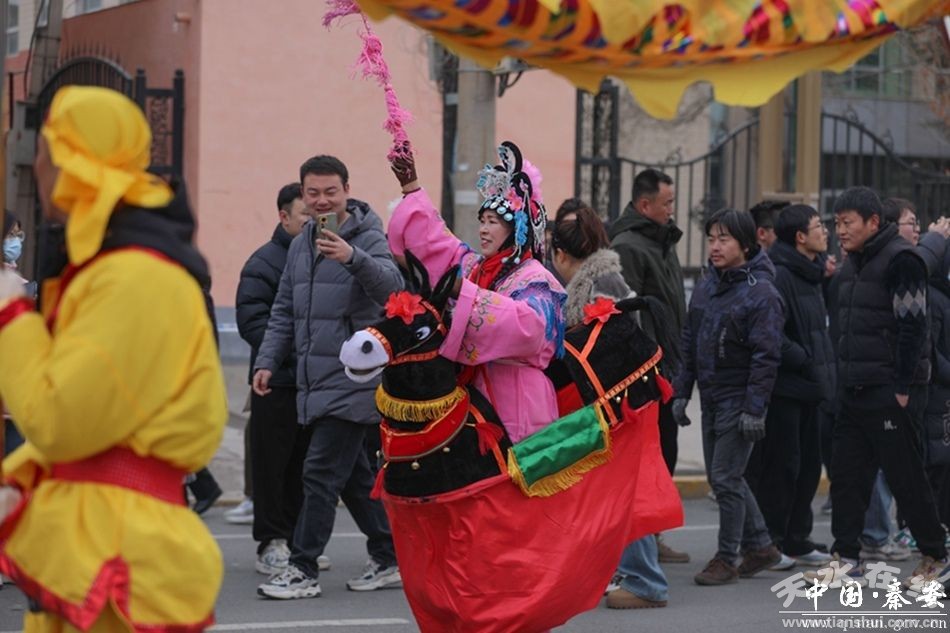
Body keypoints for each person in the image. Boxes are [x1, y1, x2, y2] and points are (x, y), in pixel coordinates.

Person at [0, 86, 226, 631]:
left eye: (44, 150)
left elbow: (58, 419)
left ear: (69, 161)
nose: (34, 166)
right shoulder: (112, 268)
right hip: (98, 542)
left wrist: (11, 316)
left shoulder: (133, 277)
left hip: (120, 556)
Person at [254, 155, 403, 600]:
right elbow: (284, 308)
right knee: (354, 477)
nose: (322, 201)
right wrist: (267, 360)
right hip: (313, 378)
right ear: (303, 195)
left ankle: (303, 569)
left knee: (318, 473)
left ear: (346, 191)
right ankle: (389, 555)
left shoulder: (368, 235)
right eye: (313, 193)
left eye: (330, 192)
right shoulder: (301, 244)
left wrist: (353, 258)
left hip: (355, 377)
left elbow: (394, 290)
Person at [387, 141, 566, 444]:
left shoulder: (536, 278)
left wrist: (465, 291)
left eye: (492, 222)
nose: (483, 229)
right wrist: (411, 186)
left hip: (520, 401)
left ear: (516, 229)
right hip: (477, 395)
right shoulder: (475, 268)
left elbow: (529, 330)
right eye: (482, 221)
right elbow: (436, 245)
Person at [815, 186, 948, 588]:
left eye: (848, 222)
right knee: (847, 478)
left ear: (873, 222)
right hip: (854, 389)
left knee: (906, 478)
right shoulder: (853, 263)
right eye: (836, 223)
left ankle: (935, 556)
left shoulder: (902, 261)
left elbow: (913, 327)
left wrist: (903, 386)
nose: (840, 231)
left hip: (891, 391)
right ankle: (846, 558)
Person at [551, 201, 669, 610]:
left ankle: (647, 582)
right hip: (617, 400)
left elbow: (610, 346)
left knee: (625, 492)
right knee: (609, 492)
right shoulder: (597, 278)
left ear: (561, 254)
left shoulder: (602, 284)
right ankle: (622, 573)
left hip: (623, 403)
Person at [673, 208, 784, 585]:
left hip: (739, 398)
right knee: (727, 477)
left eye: (724, 239)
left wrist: (755, 409)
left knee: (724, 477)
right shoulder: (707, 285)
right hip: (711, 396)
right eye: (711, 239)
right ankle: (761, 546)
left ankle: (726, 557)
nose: (715, 247)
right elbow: (690, 340)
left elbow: (767, 356)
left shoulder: (761, 293)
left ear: (746, 245)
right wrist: (681, 391)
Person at [236, 183, 329, 575]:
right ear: (284, 217)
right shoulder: (264, 262)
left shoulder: (323, 256)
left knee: (304, 467)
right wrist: (289, 353)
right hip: (275, 381)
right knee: (271, 467)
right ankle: (271, 542)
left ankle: (297, 542)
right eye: (305, 213)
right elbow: (252, 321)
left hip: (313, 383)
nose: (312, 220)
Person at [744, 205, 834, 570]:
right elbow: (772, 334)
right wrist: (806, 358)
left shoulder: (812, 273)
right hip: (785, 388)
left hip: (810, 387)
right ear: (799, 237)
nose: (825, 232)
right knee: (783, 467)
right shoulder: (779, 274)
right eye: (818, 226)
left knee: (810, 466)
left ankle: (798, 537)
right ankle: (773, 539)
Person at [608, 168, 690, 563]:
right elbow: (628, 315)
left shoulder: (662, 241)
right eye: (667, 203)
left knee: (666, 451)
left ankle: (651, 536)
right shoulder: (628, 246)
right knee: (646, 457)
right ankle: (636, 544)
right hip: (647, 373)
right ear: (645, 205)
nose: (672, 209)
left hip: (669, 367)